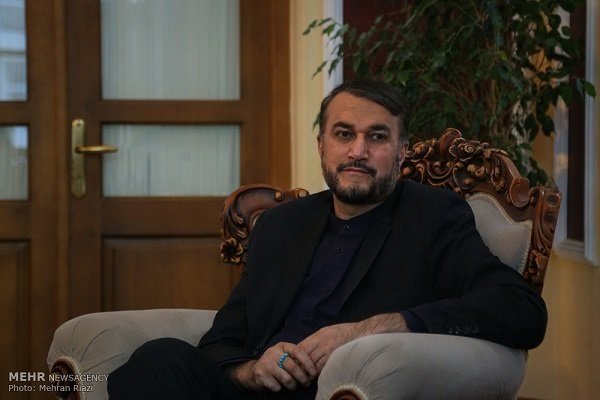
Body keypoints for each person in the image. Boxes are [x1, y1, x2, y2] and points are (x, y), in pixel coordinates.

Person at [107, 80, 547, 399]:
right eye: (344, 134)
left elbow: (522, 310)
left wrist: (372, 329)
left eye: (377, 137)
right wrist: (252, 370)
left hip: (340, 390)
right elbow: (222, 340)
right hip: (258, 392)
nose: (358, 151)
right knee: (158, 359)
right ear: (321, 145)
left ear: (401, 151)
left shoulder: (432, 217)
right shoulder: (282, 225)